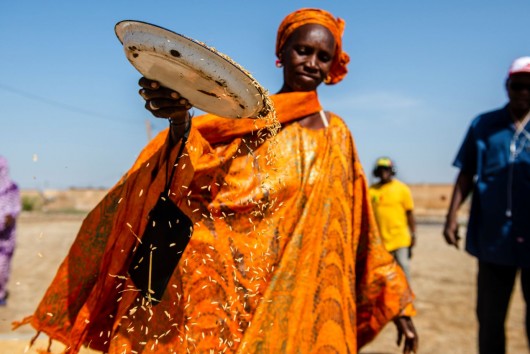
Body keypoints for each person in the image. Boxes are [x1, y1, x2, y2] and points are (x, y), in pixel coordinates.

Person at [17, 9, 418, 354]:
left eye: (323, 56)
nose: (312, 62)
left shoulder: (337, 135)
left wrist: (396, 304)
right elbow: (196, 180)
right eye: (303, 50)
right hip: (234, 293)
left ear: (333, 66)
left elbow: (359, 227)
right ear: (280, 54)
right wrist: (179, 122)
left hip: (304, 297)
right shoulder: (244, 120)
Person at [443, 56, 530, 354]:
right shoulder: (484, 124)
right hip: (493, 237)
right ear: (507, 86)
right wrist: (452, 215)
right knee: (490, 318)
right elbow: (466, 171)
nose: (523, 93)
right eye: (518, 86)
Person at [369, 157, 416, 281]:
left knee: (403, 266)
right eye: (381, 170)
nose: (383, 172)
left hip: (399, 238)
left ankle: (407, 298)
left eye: (386, 169)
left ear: (391, 171)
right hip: (381, 240)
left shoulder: (402, 189)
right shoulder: (372, 191)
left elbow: (409, 213)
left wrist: (413, 234)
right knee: (384, 273)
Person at [0, 156, 20, 306]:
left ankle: (1, 294)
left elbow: (13, 213)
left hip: (5, 239)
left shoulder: (12, 189)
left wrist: (4, 223)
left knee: (2, 268)